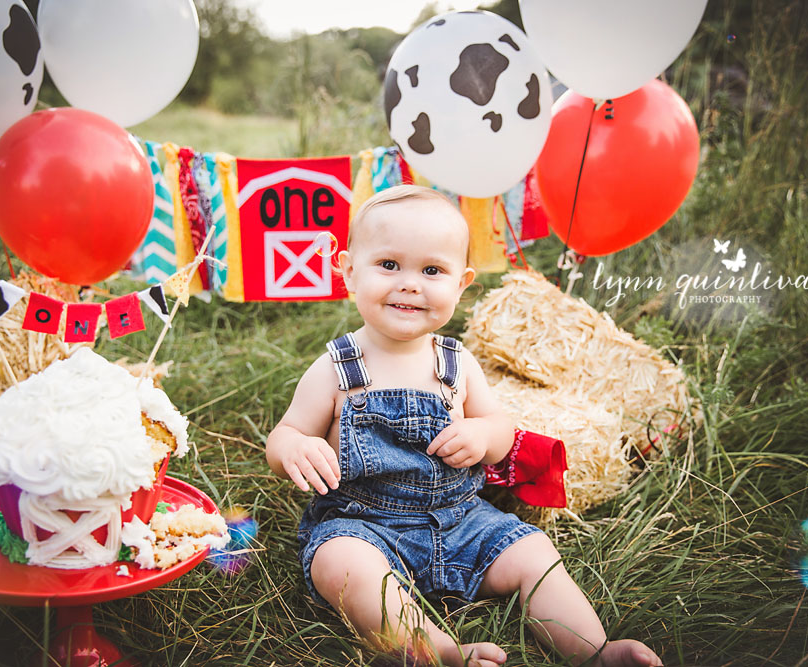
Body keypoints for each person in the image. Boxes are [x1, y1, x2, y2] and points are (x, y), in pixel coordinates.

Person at [265, 185, 662, 667]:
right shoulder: (336, 368)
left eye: (432, 271)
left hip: (462, 522)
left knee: (531, 550)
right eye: (388, 265)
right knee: (340, 565)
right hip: (364, 525)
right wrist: (294, 449)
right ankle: (441, 653)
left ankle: (593, 651)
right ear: (348, 270)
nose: (409, 283)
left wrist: (482, 436)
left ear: (461, 283)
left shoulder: (457, 364)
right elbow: (284, 434)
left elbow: (500, 429)